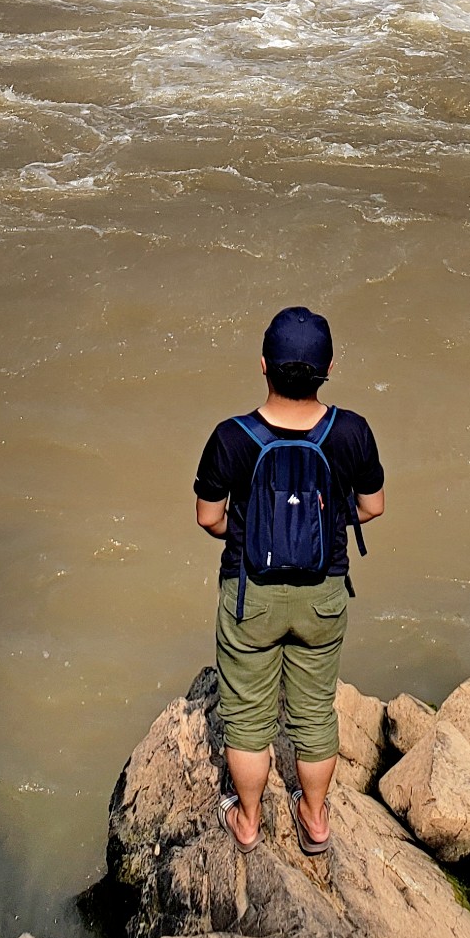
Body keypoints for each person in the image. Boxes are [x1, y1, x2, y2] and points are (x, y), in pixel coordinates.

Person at [193, 305, 385, 853]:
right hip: (324, 594)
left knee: (248, 715)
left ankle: (249, 822)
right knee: (314, 711)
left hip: (250, 592)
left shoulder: (231, 437)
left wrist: (244, 531)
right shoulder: (351, 431)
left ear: (263, 366)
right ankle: (315, 818)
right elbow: (372, 506)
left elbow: (208, 517)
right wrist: (325, 521)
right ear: (329, 367)